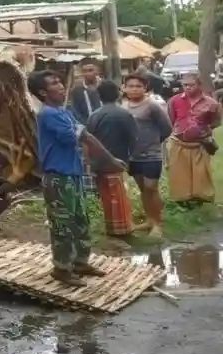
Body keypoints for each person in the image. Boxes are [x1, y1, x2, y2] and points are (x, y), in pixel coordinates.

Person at [28, 69, 123, 287]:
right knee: (63, 224)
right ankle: (61, 268)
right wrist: (111, 160)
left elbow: (85, 137)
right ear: (43, 92)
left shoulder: (64, 112)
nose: (61, 85)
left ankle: (80, 262)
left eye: (60, 81)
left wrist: (107, 160)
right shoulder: (48, 115)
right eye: (54, 83)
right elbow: (83, 137)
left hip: (73, 175)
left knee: (80, 220)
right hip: (59, 178)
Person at [84, 80, 137, 237]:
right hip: (117, 161)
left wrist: (90, 162)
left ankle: (110, 227)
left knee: (106, 195)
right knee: (118, 194)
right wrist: (130, 158)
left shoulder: (94, 115)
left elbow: (87, 140)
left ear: (99, 96)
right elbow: (133, 138)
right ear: (119, 93)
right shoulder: (124, 114)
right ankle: (122, 228)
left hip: (98, 162)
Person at [123, 73, 173, 237]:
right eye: (130, 86)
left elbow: (167, 128)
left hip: (152, 155)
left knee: (152, 188)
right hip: (132, 156)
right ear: (124, 88)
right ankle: (149, 219)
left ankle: (157, 223)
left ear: (145, 88)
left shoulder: (153, 106)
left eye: (138, 86)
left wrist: (153, 142)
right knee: (143, 188)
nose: (134, 89)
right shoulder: (123, 106)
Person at [166, 73, 221, 205]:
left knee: (200, 174)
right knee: (180, 173)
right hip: (179, 142)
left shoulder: (211, 103)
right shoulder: (174, 100)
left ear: (200, 85)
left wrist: (203, 131)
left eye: (192, 85)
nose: (188, 88)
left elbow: (216, 121)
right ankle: (182, 200)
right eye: (185, 85)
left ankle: (199, 200)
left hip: (200, 144)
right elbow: (171, 120)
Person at [67, 59, 103, 124]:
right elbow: (75, 111)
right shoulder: (77, 90)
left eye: (90, 70)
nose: (87, 74)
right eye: (84, 71)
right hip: (86, 126)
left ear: (98, 71)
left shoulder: (105, 86)